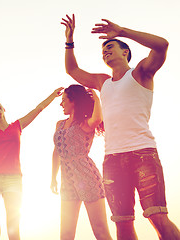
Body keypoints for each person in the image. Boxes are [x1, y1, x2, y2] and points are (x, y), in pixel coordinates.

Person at [61, 14, 180, 239]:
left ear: (125, 52)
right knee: (122, 225)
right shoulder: (102, 82)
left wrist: (122, 31)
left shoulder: (141, 73)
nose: (105, 51)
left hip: (143, 153)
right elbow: (72, 70)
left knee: (158, 218)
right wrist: (69, 41)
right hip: (113, 160)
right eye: (103, 49)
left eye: (110, 46)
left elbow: (162, 45)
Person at [0, 87, 63, 240]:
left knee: (14, 230)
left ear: (3, 108)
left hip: (13, 180)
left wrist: (53, 95)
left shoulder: (17, 126)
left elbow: (39, 109)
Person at [50, 85, 112, 240]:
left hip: (87, 177)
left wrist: (96, 98)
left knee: (100, 232)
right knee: (65, 234)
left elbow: (97, 119)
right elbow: (56, 152)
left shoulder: (84, 123)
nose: (61, 104)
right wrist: (53, 178)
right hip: (67, 180)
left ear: (74, 101)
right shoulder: (60, 124)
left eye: (64, 100)